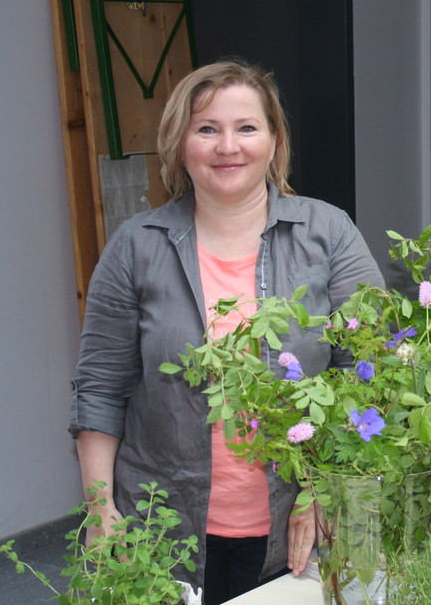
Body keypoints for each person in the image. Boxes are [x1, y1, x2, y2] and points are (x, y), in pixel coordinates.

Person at [69, 60, 385, 604]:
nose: (228, 146)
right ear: (180, 143)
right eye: (207, 129)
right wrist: (100, 510)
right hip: (161, 527)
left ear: (274, 140)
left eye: (246, 127)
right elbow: (100, 388)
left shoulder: (329, 233)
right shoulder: (135, 246)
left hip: (298, 528)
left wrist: (324, 489)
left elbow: (367, 372)